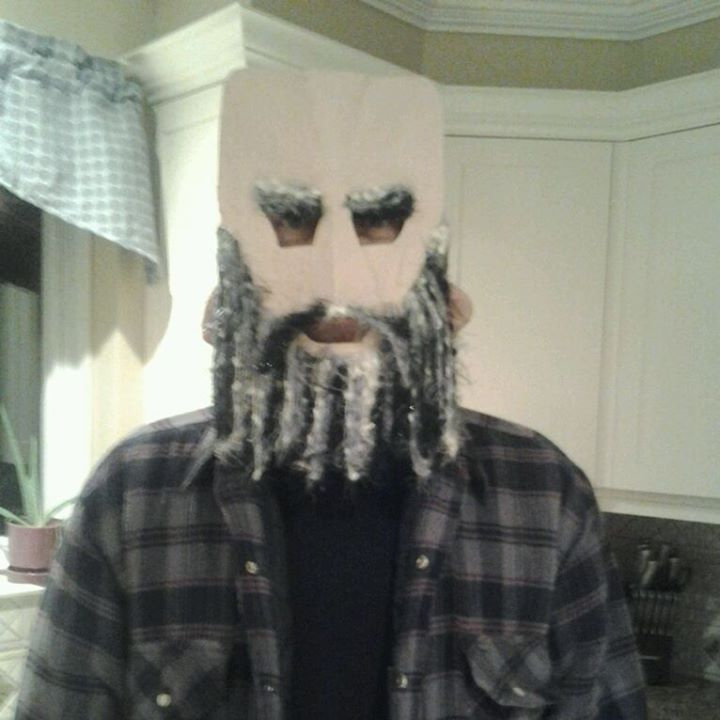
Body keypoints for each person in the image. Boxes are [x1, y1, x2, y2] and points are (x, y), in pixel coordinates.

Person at [15, 70, 646, 720]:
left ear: (434, 263)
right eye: (292, 218)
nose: (338, 272)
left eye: (379, 220)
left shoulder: (545, 495)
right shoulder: (131, 494)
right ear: (233, 259)